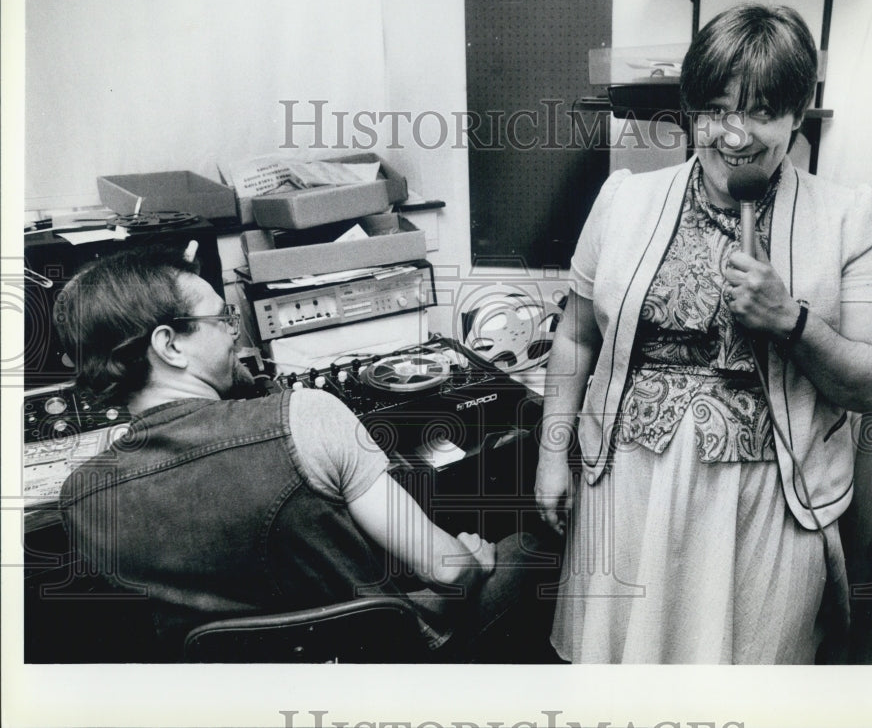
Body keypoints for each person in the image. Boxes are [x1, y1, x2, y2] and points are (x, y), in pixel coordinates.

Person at [534, 3, 872, 664]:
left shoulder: (851, 222)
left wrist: (790, 323)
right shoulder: (623, 202)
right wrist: (549, 455)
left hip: (766, 507)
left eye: (761, 111)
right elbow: (575, 338)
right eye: (715, 110)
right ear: (690, 111)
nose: (734, 135)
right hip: (626, 490)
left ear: (797, 115)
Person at [55, 245, 551, 662]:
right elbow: (448, 571)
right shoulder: (306, 415)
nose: (233, 331)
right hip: (375, 664)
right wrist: (475, 559)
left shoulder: (80, 499)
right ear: (170, 346)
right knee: (530, 549)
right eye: (220, 318)